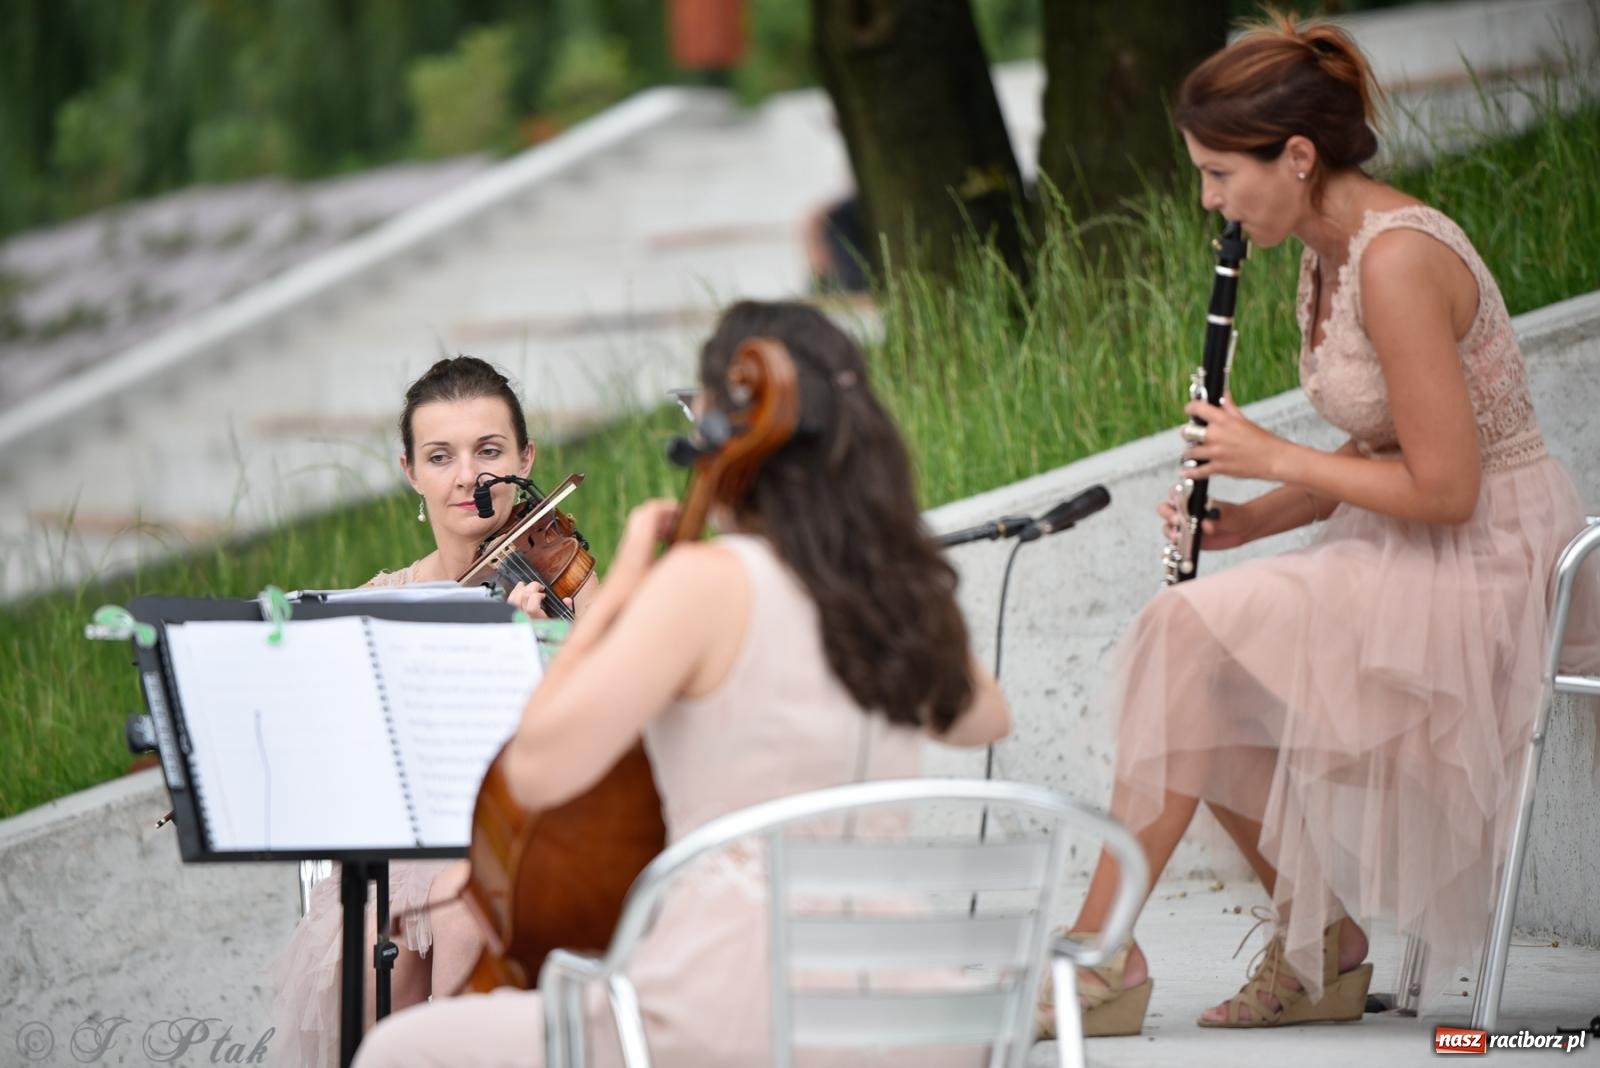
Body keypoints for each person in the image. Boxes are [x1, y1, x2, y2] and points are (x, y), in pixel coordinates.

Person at [1038, 12, 1600, 1038]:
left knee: (1183, 641)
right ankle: (1312, 944)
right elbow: (1380, 448)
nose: (1208, 198)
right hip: (1414, 539)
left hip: (1492, 557)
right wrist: (1252, 520)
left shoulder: (1393, 262)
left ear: (1296, 157)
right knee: (1194, 663)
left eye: (1218, 174)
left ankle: (1106, 956)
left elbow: (1447, 487)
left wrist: (1270, 455)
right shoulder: (1319, 247)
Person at [351, 300, 1011, 1067]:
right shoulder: (890, 593)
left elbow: (535, 767)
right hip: (904, 1011)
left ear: (722, 435)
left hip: (735, 1008)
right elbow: (983, 719)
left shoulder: (702, 586)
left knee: (403, 1050)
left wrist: (625, 581)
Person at [272, 355, 594, 1066]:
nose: (467, 478)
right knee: (377, 935)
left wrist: (540, 653)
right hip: (414, 848)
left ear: (525, 458)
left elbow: (610, 734)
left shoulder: (567, 579)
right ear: (410, 471)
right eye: (440, 457)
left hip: (541, 836)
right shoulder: (380, 602)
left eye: (489, 452)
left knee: (455, 907)